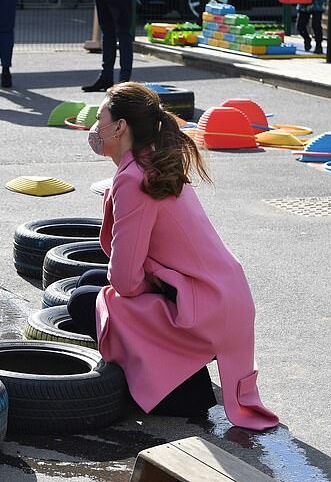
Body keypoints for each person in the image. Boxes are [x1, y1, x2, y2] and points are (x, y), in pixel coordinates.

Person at [67, 82, 280, 431]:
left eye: (100, 118)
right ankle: (179, 368)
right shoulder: (153, 163)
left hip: (203, 309)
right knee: (91, 282)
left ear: (119, 127)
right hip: (221, 299)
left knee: (84, 301)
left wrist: (141, 282)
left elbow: (125, 281)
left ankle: (180, 391)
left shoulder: (133, 179)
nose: (94, 126)